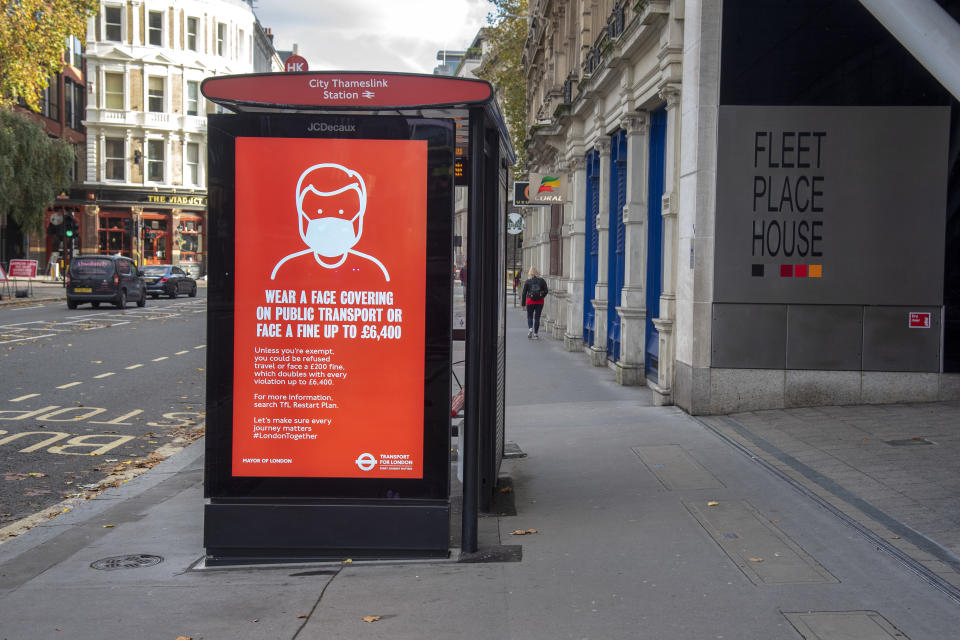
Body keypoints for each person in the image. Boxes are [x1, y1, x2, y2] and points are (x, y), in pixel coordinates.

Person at [271, 162, 390, 281]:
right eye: (318, 212)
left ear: (360, 216)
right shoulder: (287, 269)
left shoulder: (372, 271)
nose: (331, 224)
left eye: (342, 213)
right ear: (301, 215)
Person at [520, 266, 548, 339]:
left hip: (530, 301)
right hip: (540, 302)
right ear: (537, 273)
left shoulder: (528, 281)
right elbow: (546, 291)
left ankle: (530, 329)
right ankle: (535, 334)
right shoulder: (542, 280)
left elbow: (524, 293)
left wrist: (523, 304)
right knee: (537, 317)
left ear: (529, 273)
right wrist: (542, 296)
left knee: (529, 316)